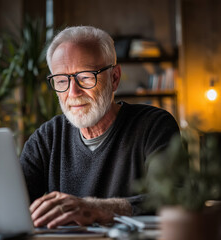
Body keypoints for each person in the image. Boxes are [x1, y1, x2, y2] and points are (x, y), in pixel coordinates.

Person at [20, 26, 180, 229]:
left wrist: (99, 209)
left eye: (85, 77)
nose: (73, 92)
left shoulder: (154, 126)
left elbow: (174, 198)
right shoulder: (47, 137)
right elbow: (13, 202)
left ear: (114, 78)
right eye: (62, 80)